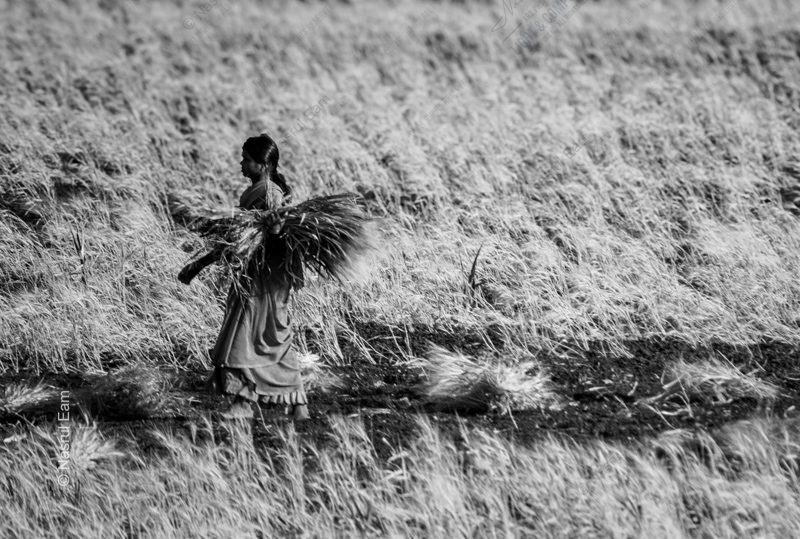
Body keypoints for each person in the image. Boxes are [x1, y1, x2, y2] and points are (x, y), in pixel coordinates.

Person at [178, 134, 308, 420]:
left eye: (246, 159)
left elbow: (278, 237)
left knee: (248, 336)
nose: (241, 163)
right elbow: (239, 241)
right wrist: (199, 264)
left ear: (263, 165)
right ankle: (297, 402)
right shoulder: (255, 193)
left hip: (265, 280)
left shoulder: (270, 194)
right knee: (266, 337)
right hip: (253, 276)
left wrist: (275, 231)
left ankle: (244, 402)